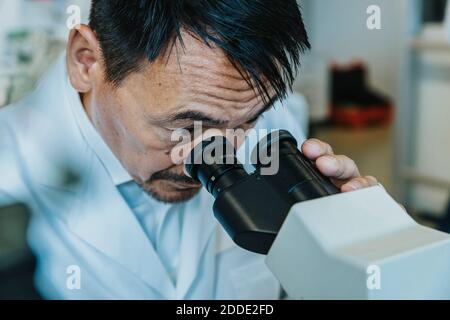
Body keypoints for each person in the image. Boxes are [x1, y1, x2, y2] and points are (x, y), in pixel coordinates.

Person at [0, 0, 378, 299]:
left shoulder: (271, 123)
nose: (218, 156)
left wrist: (355, 249)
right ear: (87, 61)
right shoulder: (15, 160)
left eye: (248, 122)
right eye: (186, 127)